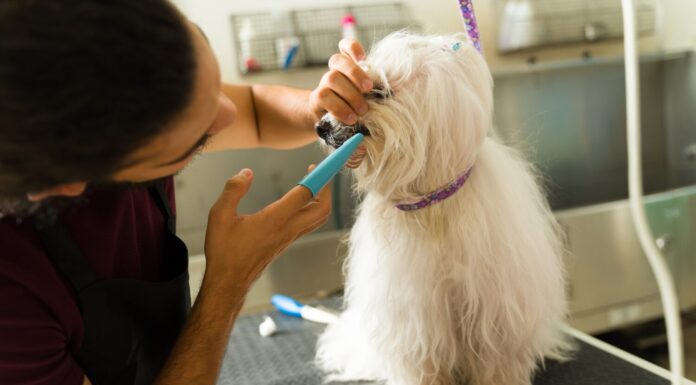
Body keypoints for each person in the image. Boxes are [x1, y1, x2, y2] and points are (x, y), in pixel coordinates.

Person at [0, 1, 371, 384]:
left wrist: (317, 109)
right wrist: (228, 285)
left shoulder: (131, 84)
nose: (227, 113)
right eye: (199, 137)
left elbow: (256, 112)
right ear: (68, 179)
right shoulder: (13, 301)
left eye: (212, 84)